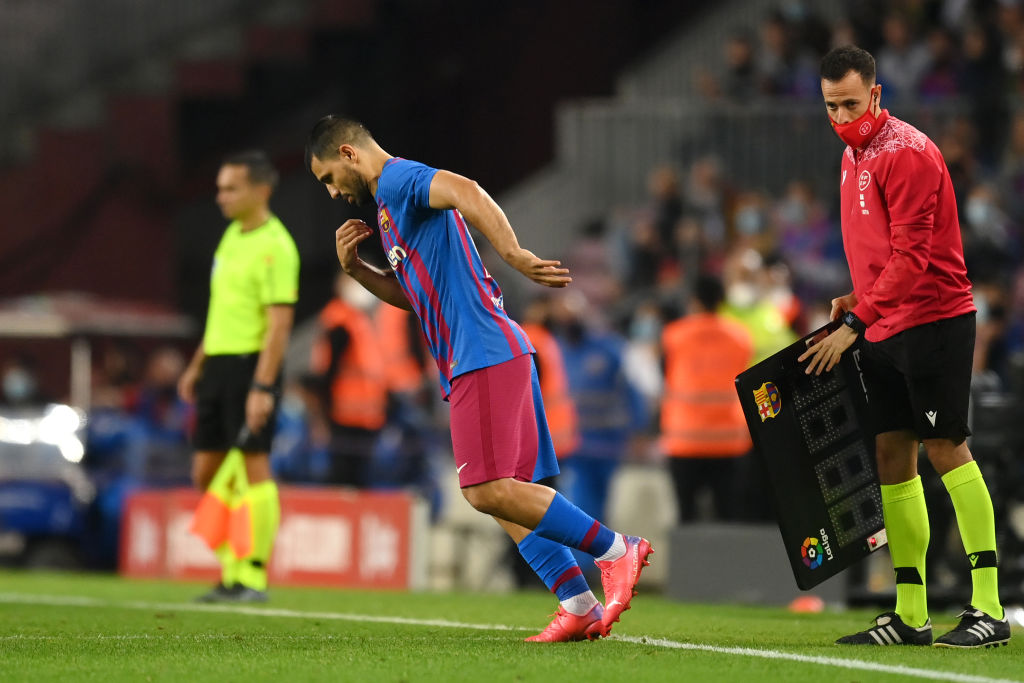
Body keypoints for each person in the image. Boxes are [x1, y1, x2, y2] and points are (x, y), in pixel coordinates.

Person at [305, 115, 652, 642]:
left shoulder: (399, 180)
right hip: (478, 355)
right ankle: (577, 602)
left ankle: (616, 550)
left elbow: (463, 189)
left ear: (349, 153)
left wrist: (513, 254)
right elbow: (415, 298)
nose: (331, 192)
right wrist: (359, 271)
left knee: (484, 489)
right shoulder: (388, 211)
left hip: (482, 352)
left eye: (328, 177)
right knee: (506, 494)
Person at [800, 46, 1009, 648]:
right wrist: (855, 298)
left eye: (849, 104)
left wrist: (856, 320)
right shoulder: (851, 154)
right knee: (893, 454)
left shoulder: (909, 153)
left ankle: (989, 609)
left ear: (876, 94)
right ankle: (911, 615)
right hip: (882, 322)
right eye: (830, 106)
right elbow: (882, 253)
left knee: (946, 448)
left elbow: (915, 260)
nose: (840, 117)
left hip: (933, 320)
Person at [178, 150, 300, 603]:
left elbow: (279, 324)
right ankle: (232, 569)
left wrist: (263, 387)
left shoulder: (277, 246)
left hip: (252, 366)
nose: (220, 197)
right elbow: (220, 310)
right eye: (220, 188)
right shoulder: (230, 237)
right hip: (219, 365)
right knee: (205, 473)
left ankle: (252, 574)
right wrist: (198, 365)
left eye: (230, 188)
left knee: (253, 467)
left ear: (260, 190)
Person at [660, 275, 753, 522]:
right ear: (721, 300)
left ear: (694, 301)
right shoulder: (741, 336)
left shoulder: (674, 335)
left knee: (686, 518)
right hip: (729, 441)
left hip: (685, 441)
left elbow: (664, 374)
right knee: (729, 517)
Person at [310, 271, 388, 487]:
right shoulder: (340, 322)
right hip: (344, 418)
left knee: (361, 481)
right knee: (343, 480)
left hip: (366, 418)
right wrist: (322, 416)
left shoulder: (358, 320)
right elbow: (327, 373)